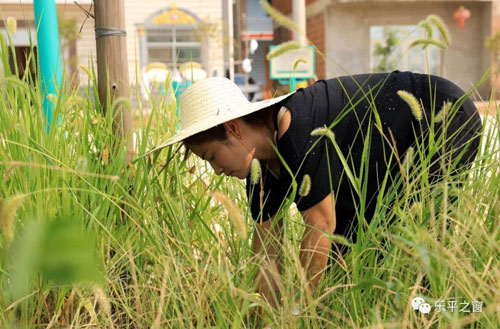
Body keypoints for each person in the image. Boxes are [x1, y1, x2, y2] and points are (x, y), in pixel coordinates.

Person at [146, 70, 482, 309]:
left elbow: (320, 223)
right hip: (375, 156)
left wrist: (300, 314)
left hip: (437, 114)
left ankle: (466, 309)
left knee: (420, 248)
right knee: (350, 263)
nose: (216, 171)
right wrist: (258, 315)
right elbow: (266, 248)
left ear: (233, 130)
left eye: (211, 157)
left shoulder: (296, 125)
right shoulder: (258, 170)